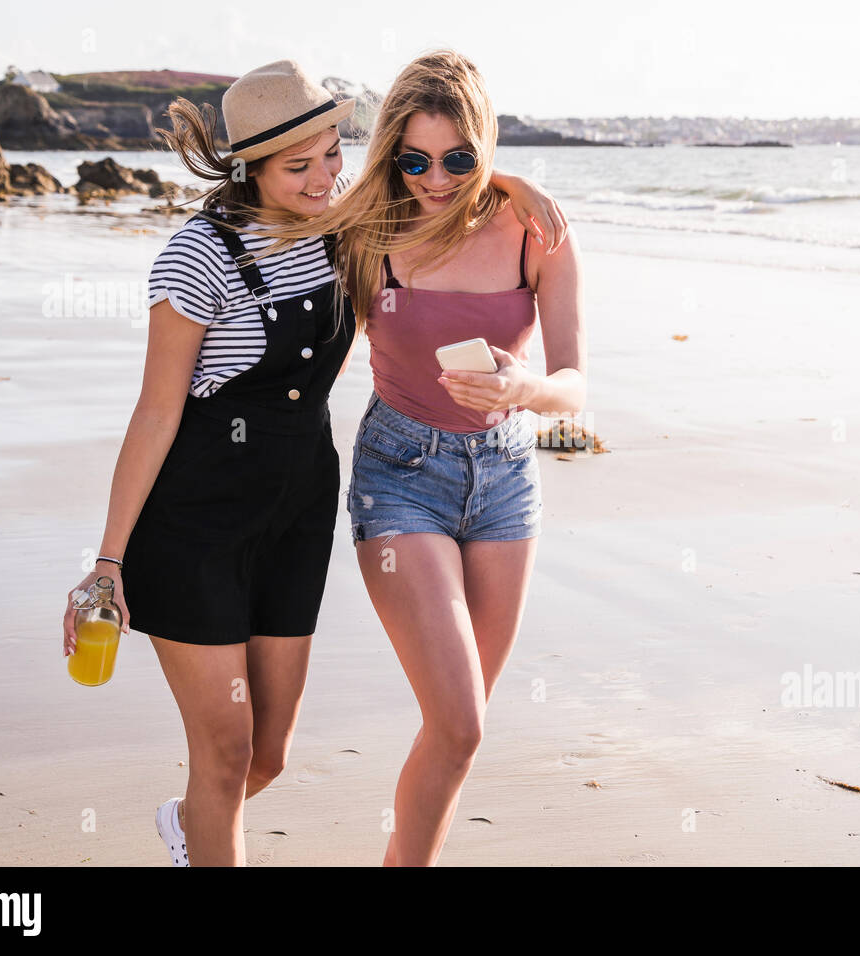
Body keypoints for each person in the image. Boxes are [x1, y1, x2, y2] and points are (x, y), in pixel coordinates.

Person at [60, 58, 568, 867]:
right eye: (299, 165)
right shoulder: (198, 257)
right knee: (225, 755)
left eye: (332, 153)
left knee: (268, 755)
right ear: (249, 167)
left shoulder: (343, 228)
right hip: (195, 526)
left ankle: (186, 828)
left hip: (296, 520)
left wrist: (504, 178)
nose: (325, 176)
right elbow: (156, 412)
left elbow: (429, 179)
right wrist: (108, 561)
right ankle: (205, 837)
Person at [259, 49, 586, 865]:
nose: (435, 180)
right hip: (398, 476)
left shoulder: (535, 229)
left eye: (458, 160)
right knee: (461, 718)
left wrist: (525, 388)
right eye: (412, 160)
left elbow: (576, 386)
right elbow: (276, 196)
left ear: (484, 146)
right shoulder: (369, 228)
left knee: (460, 731)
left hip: (508, 479)